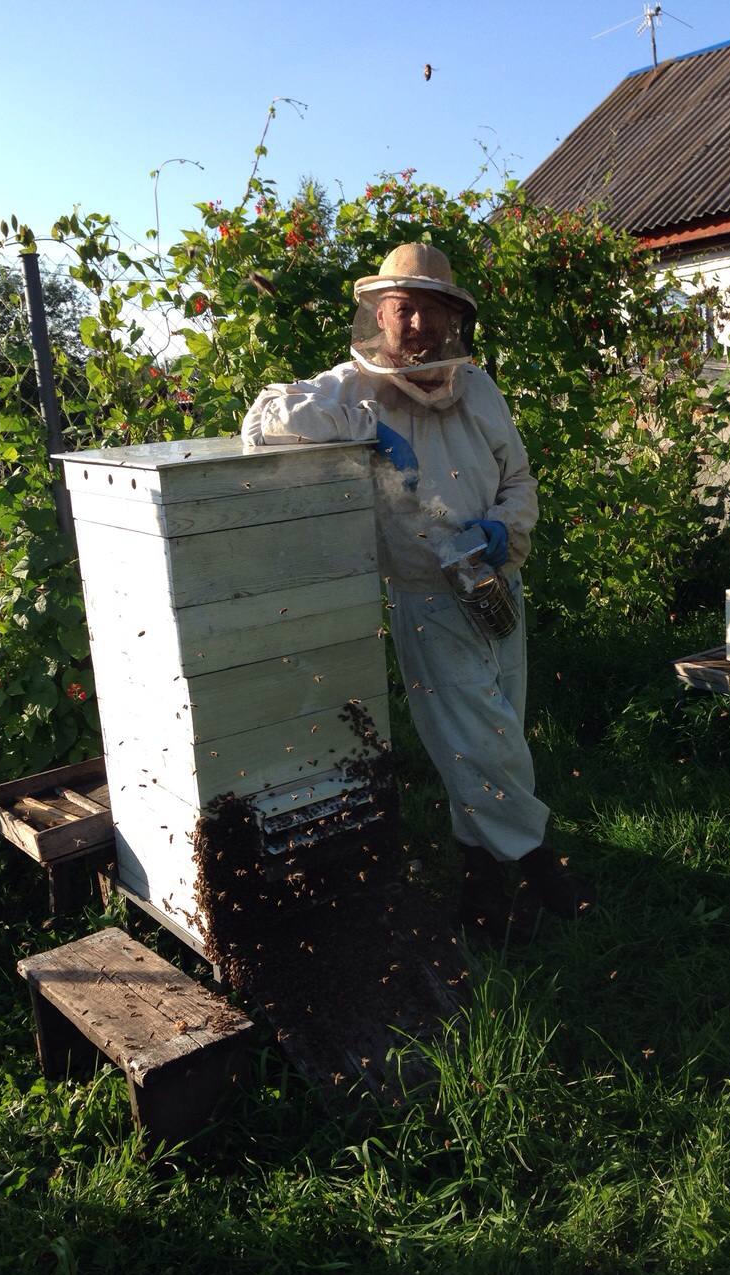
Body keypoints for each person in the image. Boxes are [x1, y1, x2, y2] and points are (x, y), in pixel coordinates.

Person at [242, 242, 593, 941]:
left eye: (435, 310)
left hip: (497, 579)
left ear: (453, 319)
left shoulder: (478, 387)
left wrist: (502, 525)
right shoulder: (354, 384)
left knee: (491, 732)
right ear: (379, 313)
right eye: (406, 309)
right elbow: (260, 423)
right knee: (481, 739)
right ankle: (537, 860)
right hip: (427, 594)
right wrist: (362, 428)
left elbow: (519, 478)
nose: (421, 326)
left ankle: (481, 886)